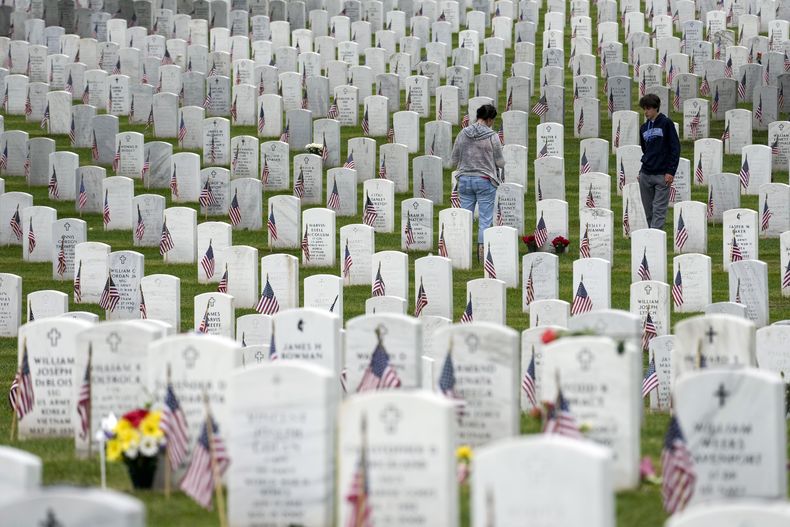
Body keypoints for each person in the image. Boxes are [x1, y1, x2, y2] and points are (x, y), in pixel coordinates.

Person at [450, 104, 506, 262]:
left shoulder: (463, 133)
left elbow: (454, 158)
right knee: (485, 218)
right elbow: (500, 161)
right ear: (489, 119)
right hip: (484, 180)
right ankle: (482, 255)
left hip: (465, 179)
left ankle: (461, 252)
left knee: (464, 218)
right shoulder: (492, 136)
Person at [638, 94, 680, 229]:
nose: (646, 112)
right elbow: (646, 151)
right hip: (646, 174)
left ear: (656, 108)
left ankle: (656, 237)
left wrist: (670, 171)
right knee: (648, 210)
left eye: (648, 109)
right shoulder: (643, 128)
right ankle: (652, 236)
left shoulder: (666, 123)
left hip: (662, 175)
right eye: (644, 109)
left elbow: (675, 148)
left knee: (659, 209)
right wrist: (641, 171)